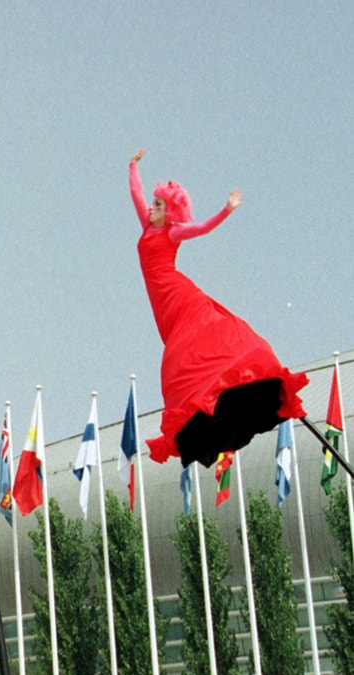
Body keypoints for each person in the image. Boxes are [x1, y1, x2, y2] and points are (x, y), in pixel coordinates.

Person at [130, 149, 308, 467]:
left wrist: (226, 209)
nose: (152, 207)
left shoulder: (172, 232)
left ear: (170, 212)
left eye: (159, 204)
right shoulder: (148, 226)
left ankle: (231, 376)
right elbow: (135, 194)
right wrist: (133, 166)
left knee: (194, 341)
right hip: (162, 303)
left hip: (175, 291)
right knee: (182, 345)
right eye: (154, 203)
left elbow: (204, 228)